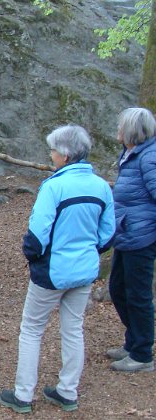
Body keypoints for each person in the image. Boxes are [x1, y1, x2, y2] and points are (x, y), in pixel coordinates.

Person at [0, 125, 115, 414]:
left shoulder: (54, 186)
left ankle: (23, 395)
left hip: (52, 271)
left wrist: (34, 258)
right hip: (84, 270)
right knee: (73, 329)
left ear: (64, 154)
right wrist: (89, 252)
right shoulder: (101, 186)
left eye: (52, 150)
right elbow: (108, 233)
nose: (50, 155)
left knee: (32, 329)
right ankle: (67, 391)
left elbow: (37, 234)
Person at [107, 107, 156, 373]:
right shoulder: (132, 153)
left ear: (132, 131)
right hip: (126, 234)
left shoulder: (149, 158)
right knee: (117, 288)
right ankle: (134, 341)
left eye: (121, 126)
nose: (118, 130)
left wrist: (147, 228)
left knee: (137, 295)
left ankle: (142, 354)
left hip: (142, 236)